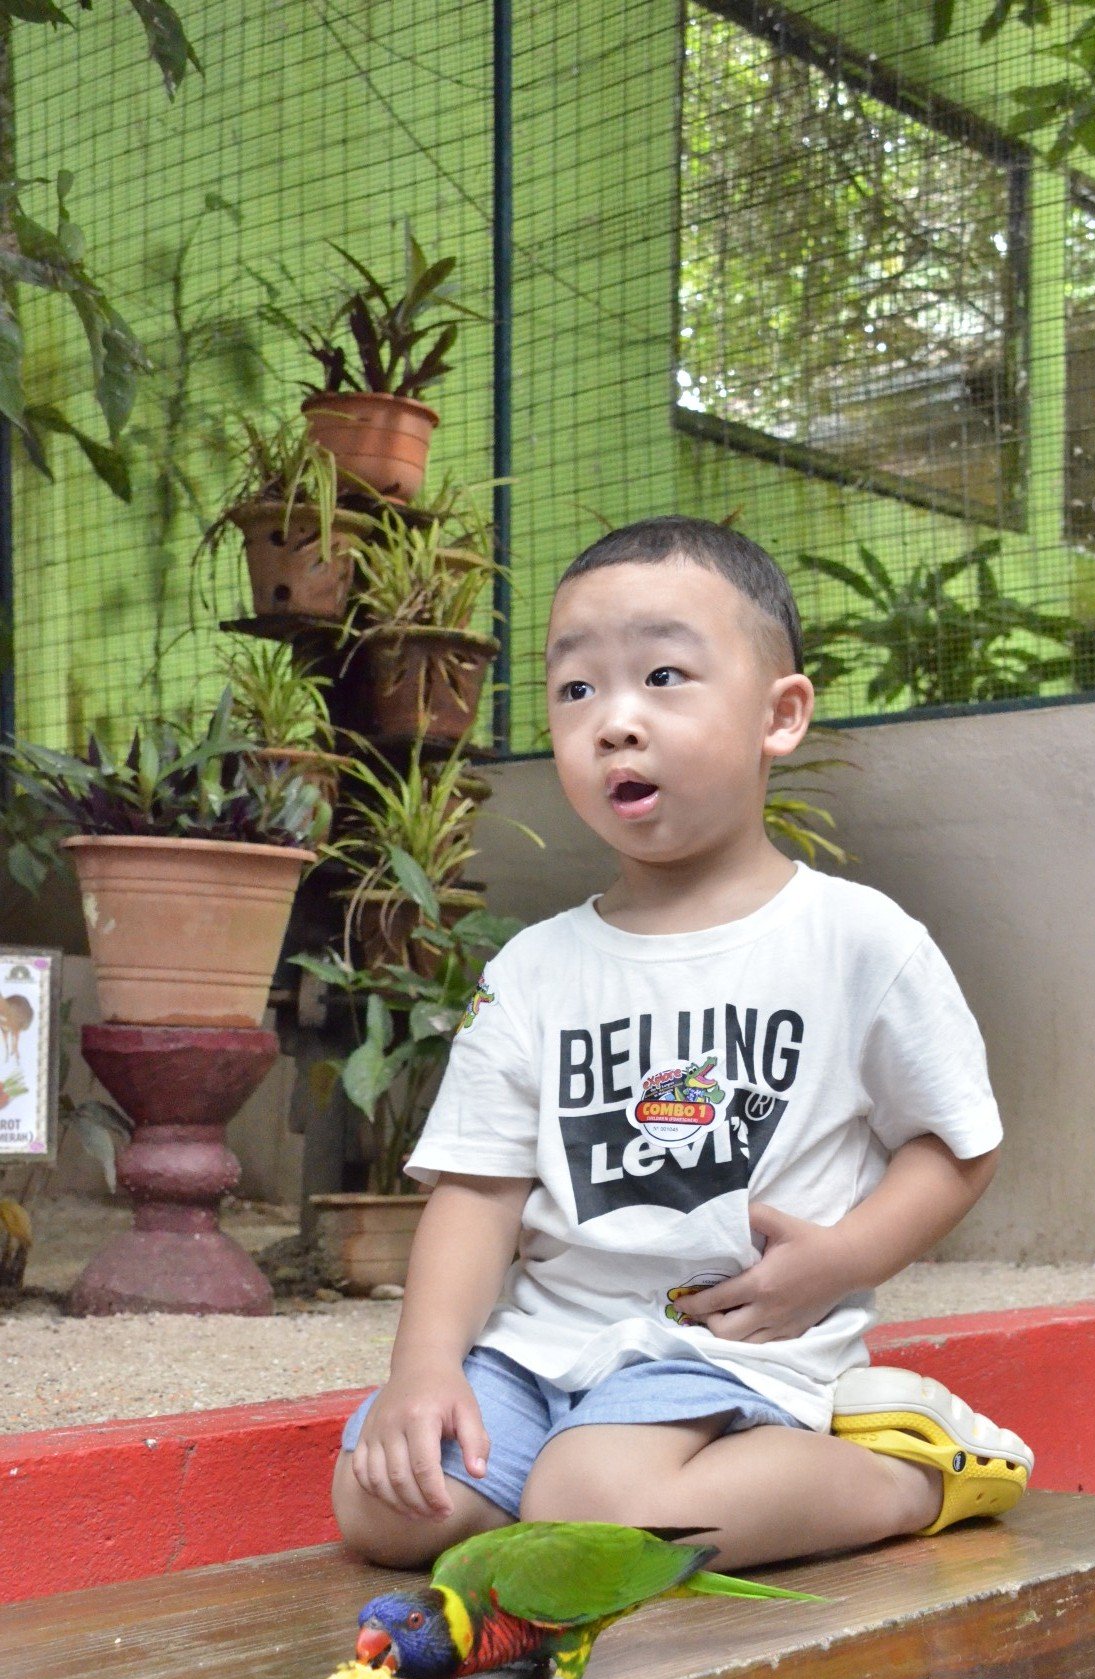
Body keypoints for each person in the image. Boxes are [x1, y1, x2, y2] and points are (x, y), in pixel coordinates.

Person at [334, 516, 1033, 1571]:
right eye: (577, 689)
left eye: (664, 676)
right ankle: (595, 1484)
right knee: (387, 1503)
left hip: (732, 1346)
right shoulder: (533, 968)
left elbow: (957, 1142)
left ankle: (909, 1477)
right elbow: (477, 1190)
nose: (615, 723)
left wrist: (843, 1260)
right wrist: (424, 1369)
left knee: (592, 1503)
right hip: (544, 1348)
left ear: (779, 715)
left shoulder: (856, 941)